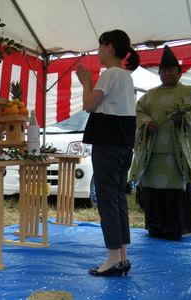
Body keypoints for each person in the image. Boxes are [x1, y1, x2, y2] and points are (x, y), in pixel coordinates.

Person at [130, 45, 191, 242]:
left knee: (175, 193)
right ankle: (155, 227)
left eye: (170, 70)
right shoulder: (149, 96)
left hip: (178, 156)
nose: (167, 74)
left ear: (179, 72)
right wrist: (146, 124)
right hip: (154, 154)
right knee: (155, 194)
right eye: (163, 71)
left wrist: (184, 120)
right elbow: (137, 113)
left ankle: (176, 228)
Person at [76, 29, 140, 277]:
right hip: (123, 143)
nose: (99, 51)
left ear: (110, 47)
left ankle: (114, 257)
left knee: (106, 198)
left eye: (100, 46)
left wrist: (87, 83)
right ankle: (122, 255)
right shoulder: (125, 76)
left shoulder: (109, 74)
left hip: (108, 143)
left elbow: (89, 105)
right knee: (117, 197)